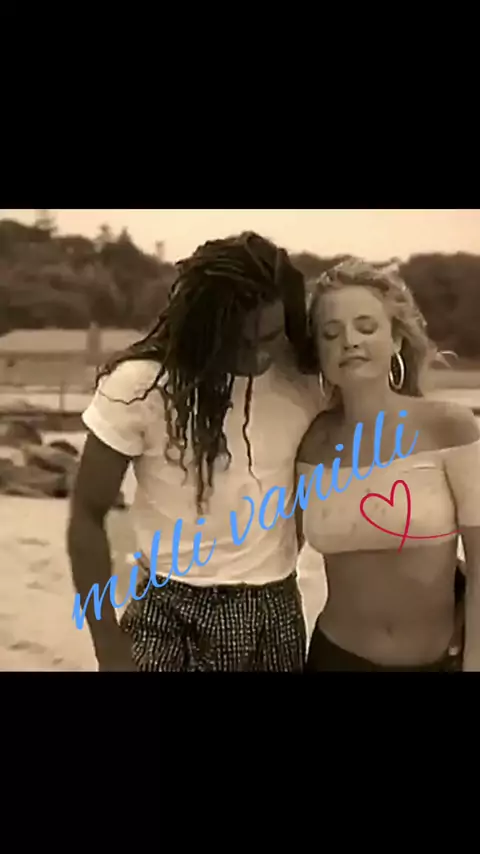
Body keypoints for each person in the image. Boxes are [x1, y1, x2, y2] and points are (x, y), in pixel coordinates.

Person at [68, 232, 323, 672]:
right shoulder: (141, 386)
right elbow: (87, 514)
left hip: (274, 612)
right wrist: (107, 645)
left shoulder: (305, 382)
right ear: (203, 328)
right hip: (165, 611)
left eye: (269, 337)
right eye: (239, 343)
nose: (258, 357)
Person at [296, 257, 480, 672]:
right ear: (318, 352)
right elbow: (270, 550)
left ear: (396, 339)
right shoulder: (310, 442)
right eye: (330, 333)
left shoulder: (449, 427)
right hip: (335, 661)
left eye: (366, 327)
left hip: (440, 663)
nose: (349, 341)